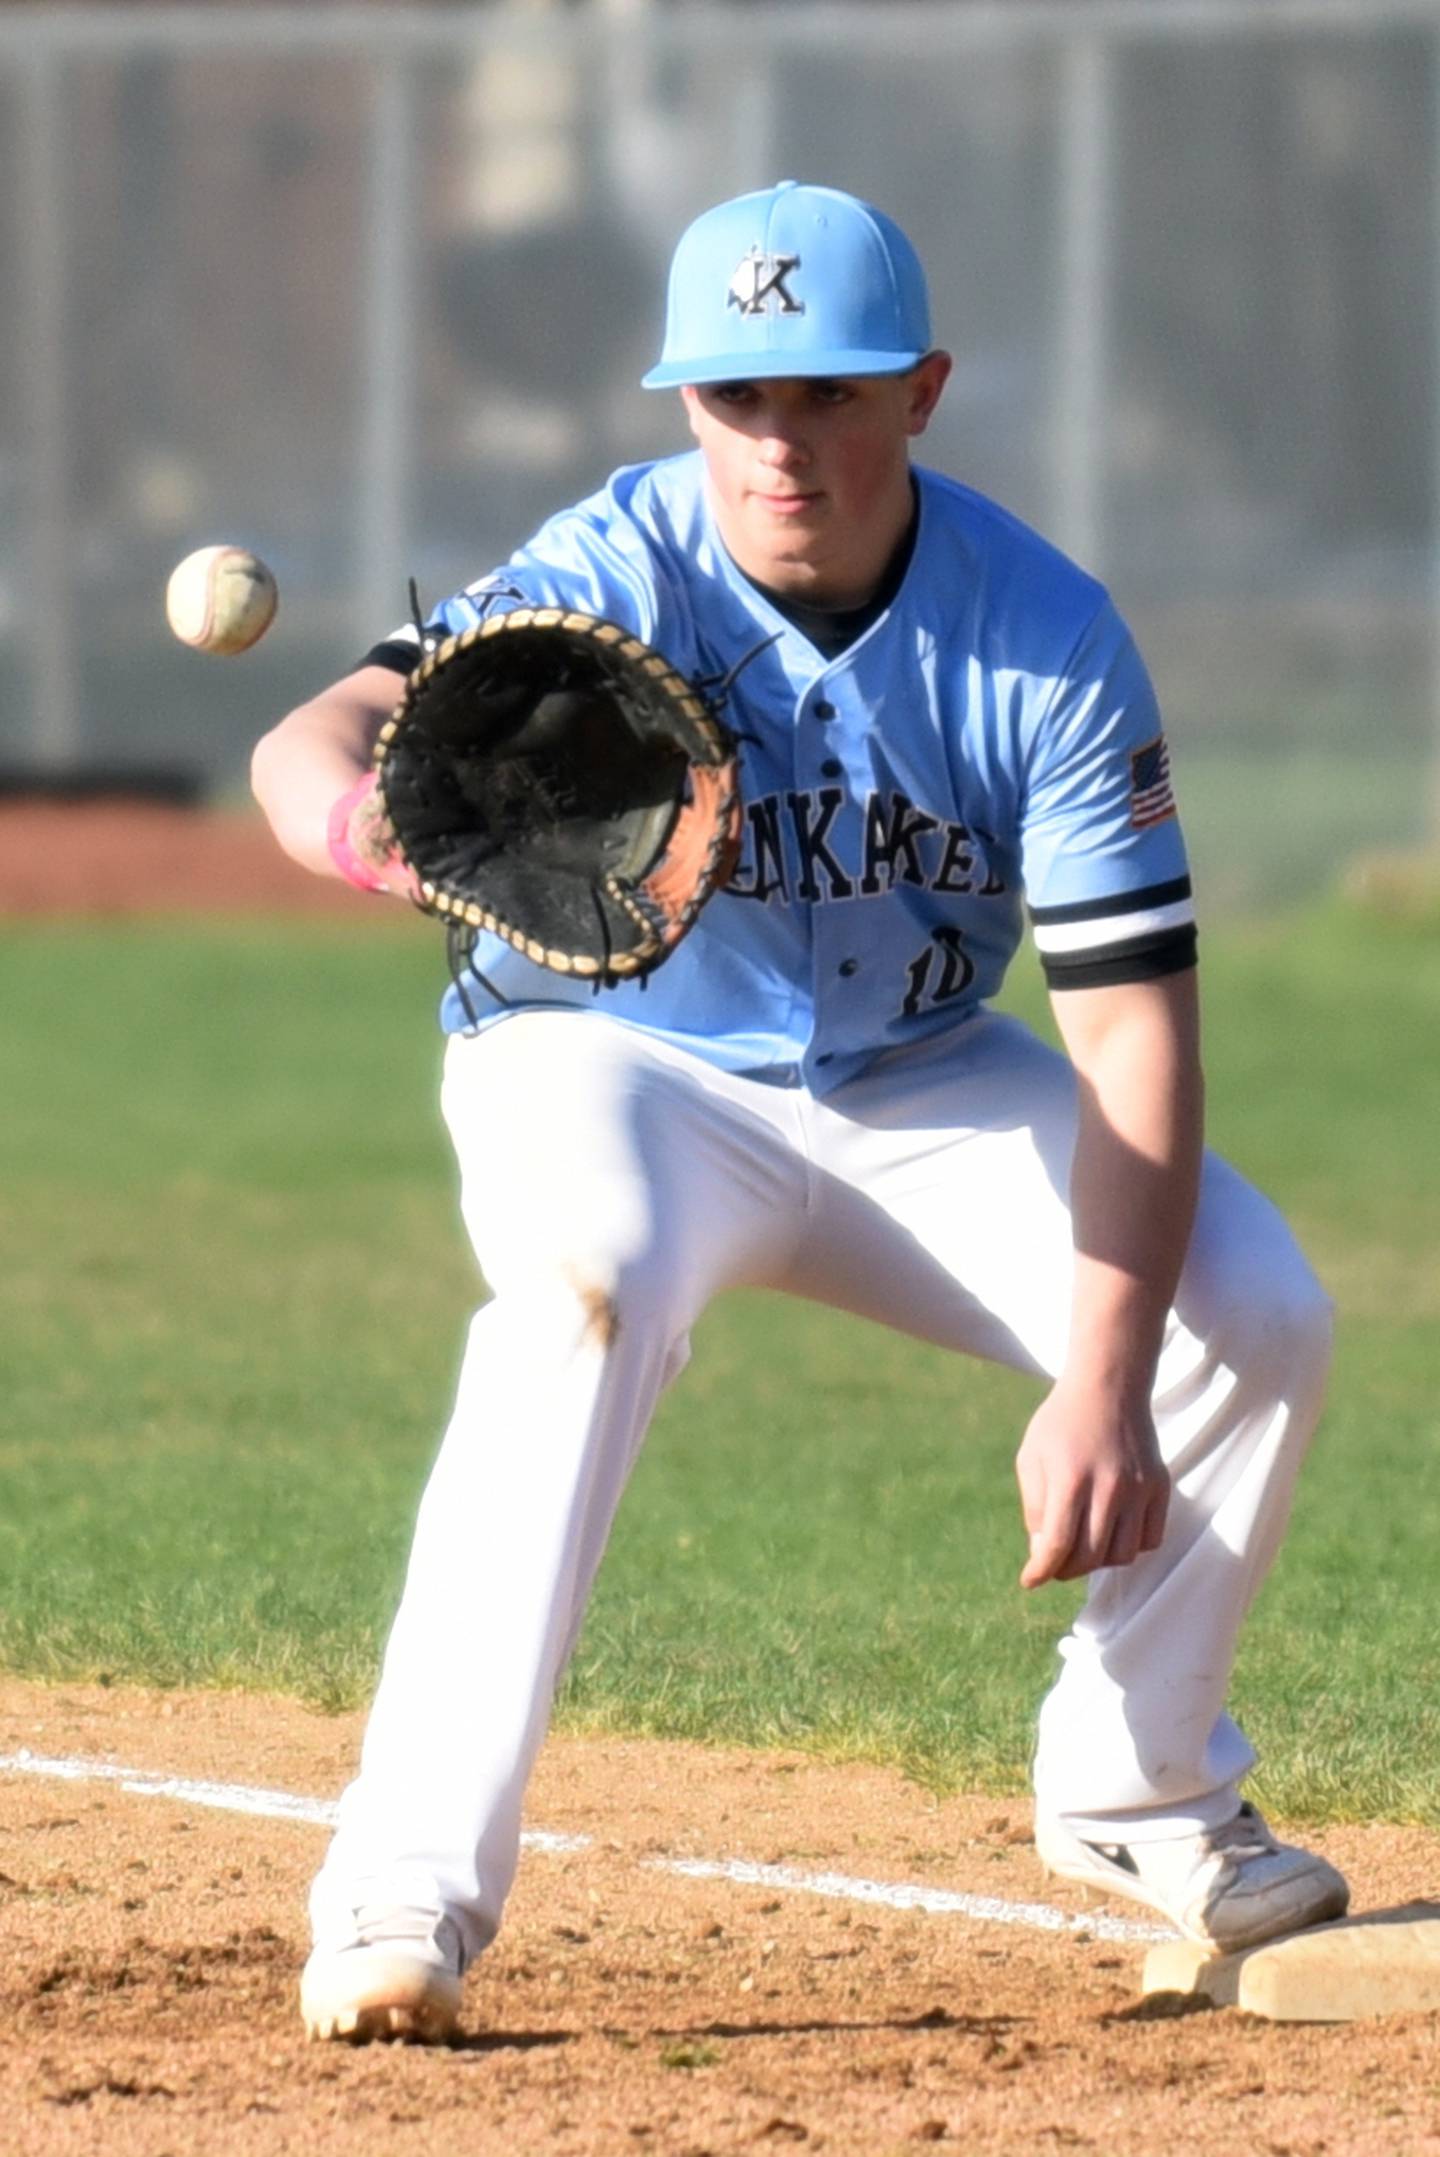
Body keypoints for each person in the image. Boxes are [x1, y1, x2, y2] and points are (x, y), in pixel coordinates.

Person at [251, 181, 1348, 2045]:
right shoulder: (606, 564)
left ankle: (1139, 1788)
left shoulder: (1046, 642)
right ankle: (401, 1886)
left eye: (827, 392)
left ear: (918, 393)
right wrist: (375, 839)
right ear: (685, 406)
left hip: (917, 1073)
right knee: (581, 1289)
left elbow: (1134, 1040)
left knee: (1251, 1308)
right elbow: (309, 746)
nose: (781, 441)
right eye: (735, 396)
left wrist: (1101, 1377)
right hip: (613, 1061)